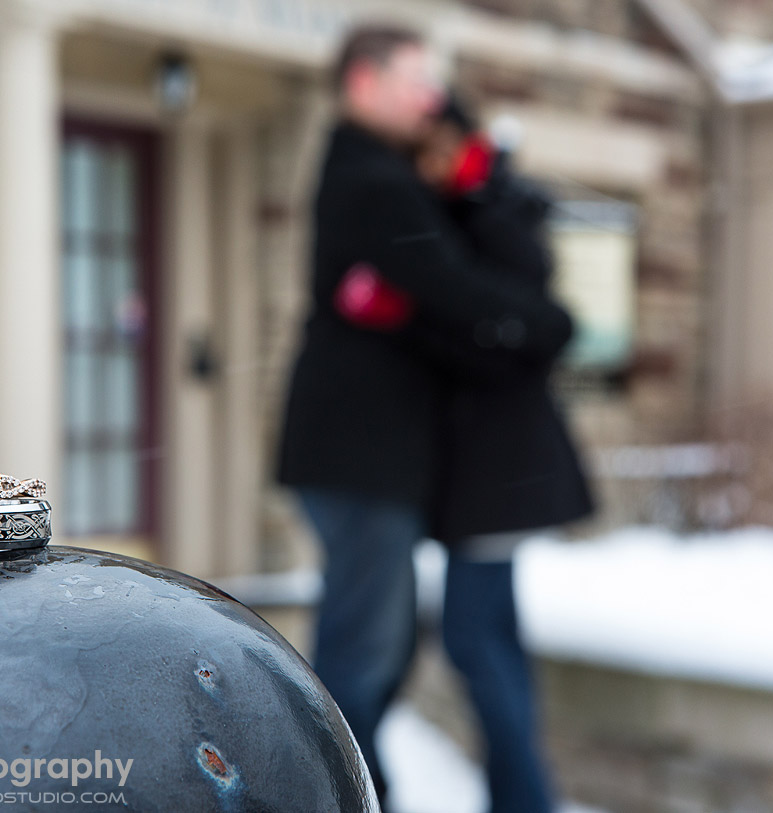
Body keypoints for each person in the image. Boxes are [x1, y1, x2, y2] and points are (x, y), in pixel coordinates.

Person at [273, 23, 574, 810]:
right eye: (415, 81)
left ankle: (352, 791)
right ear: (362, 84)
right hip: (358, 459)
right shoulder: (373, 181)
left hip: (371, 461)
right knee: (365, 652)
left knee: (381, 645)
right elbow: (456, 288)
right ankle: (338, 795)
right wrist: (549, 326)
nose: (431, 98)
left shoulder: (386, 170)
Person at [420, 96, 595, 813]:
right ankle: (517, 797)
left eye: (442, 149)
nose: (431, 166)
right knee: (494, 639)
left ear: (469, 145)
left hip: (500, 467)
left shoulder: (494, 209)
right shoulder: (468, 210)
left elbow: (536, 324)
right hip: (488, 469)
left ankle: (526, 800)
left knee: (471, 639)